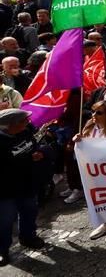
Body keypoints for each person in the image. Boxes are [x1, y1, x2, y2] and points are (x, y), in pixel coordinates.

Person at [70, 100, 106, 243]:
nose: (94, 115)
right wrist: (78, 141)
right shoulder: (89, 126)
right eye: (93, 111)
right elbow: (82, 149)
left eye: (99, 112)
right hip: (93, 171)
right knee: (99, 198)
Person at [0, 109, 49, 266]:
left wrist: (40, 152)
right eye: (24, 121)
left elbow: (34, 147)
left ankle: (28, 237)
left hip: (27, 183)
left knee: (29, 211)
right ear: (12, 125)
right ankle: (2, 250)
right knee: (5, 220)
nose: (28, 123)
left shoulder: (25, 131)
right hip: (5, 190)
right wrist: (28, 159)